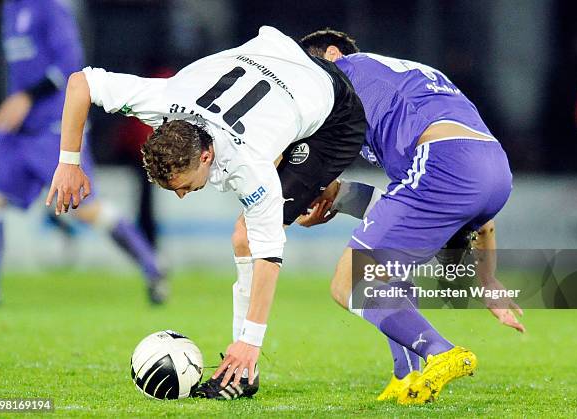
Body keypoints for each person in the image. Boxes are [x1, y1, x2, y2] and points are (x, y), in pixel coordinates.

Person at [43, 26, 366, 399]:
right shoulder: (159, 101)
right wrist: (68, 162)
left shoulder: (246, 164)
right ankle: (333, 193)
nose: (181, 196)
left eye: (183, 185)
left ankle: (243, 372)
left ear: (207, 155)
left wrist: (251, 342)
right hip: (276, 65)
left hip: (333, 111)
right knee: (273, 201)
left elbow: (269, 257)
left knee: (247, 234)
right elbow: (81, 82)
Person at [288, 29, 525, 404]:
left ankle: (441, 352)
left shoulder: (343, 74)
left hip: (444, 160)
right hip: (493, 169)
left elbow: (314, 158)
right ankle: (408, 375)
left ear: (332, 55)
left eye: (308, 71)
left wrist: (300, 192)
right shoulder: (399, 77)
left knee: (347, 282)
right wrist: (488, 280)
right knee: (386, 265)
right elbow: (397, 207)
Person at [0, 0, 166, 305]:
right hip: (18, 130)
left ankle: (153, 267)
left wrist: (26, 98)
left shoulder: (50, 8)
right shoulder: (10, 8)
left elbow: (70, 65)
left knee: (85, 208)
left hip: (53, 126)